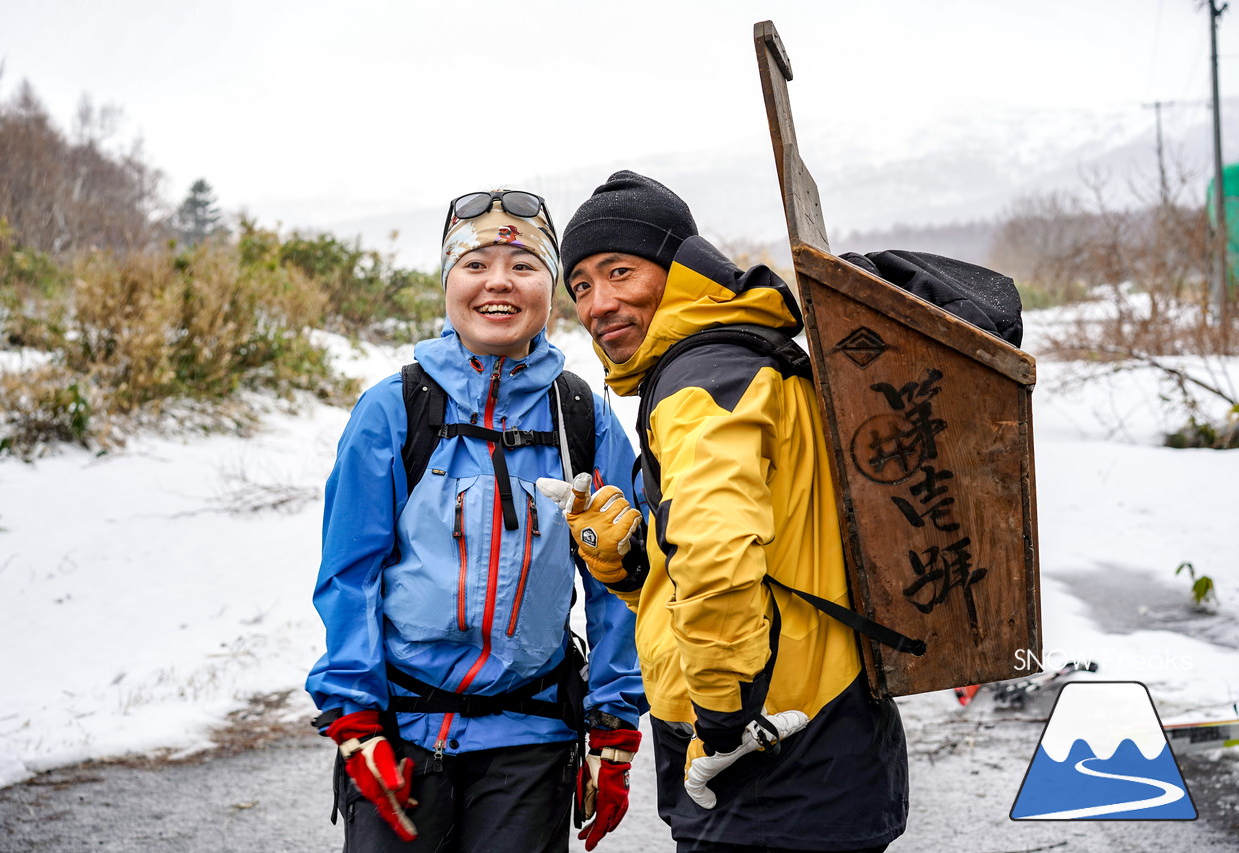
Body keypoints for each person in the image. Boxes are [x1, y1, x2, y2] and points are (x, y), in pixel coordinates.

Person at [548, 171, 908, 853]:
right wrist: (629, 562)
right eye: (584, 285)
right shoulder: (748, 354)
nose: (600, 302)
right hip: (829, 731)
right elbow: (766, 538)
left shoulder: (697, 381)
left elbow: (716, 561)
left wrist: (720, 723)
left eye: (620, 270)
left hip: (768, 754)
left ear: (677, 266)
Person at [305, 188, 647, 853]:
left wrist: (613, 721)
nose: (499, 281)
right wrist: (355, 717)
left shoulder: (583, 417)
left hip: (532, 738)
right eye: (475, 263)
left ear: (550, 286)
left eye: (523, 266)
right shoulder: (393, 410)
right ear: (447, 283)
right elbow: (350, 574)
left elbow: (620, 587)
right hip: (399, 734)